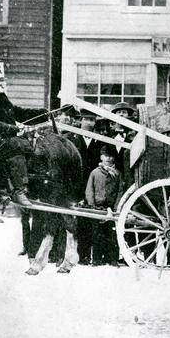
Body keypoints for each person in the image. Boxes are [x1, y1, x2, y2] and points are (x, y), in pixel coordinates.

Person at [0, 60, 45, 206]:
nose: (2, 82)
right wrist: (9, 128)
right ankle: (19, 190)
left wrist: (42, 114)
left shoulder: (1, 96)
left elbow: (16, 112)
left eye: (2, 79)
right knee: (16, 146)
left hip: (4, 136)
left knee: (28, 145)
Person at [67, 109, 103, 264]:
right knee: (78, 220)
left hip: (94, 186)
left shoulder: (100, 141)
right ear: (80, 121)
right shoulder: (71, 140)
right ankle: (81, 255)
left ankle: (94, 256)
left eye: (92, 120)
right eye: (86, 119)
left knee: (93, 220)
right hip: (76, 185)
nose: (89, 123)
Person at [85, 145, 124, 266]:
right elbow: (89, 190)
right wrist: (92, 205)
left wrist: (117, 207)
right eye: (105, 155)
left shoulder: (117, 174)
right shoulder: (95, 173)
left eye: (110, 156)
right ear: (101, 157)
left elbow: (120, 191)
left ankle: (112, 258)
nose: (107, 158)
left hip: (111, 209)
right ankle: (96, 259)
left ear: (113, 158)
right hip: (97, 208)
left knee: (111, 235)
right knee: (97, 234)